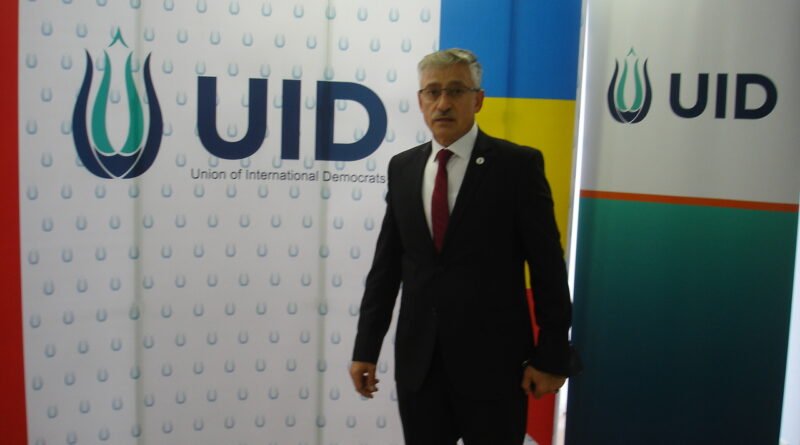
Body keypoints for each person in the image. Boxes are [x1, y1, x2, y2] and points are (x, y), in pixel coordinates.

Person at [349, 48, 579, 445]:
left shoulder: (517, 166)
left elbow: (548, 268)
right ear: (420, 100)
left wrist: (552, 357)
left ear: (478, 99)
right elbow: (386, 268)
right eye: (433, 92)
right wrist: (365, 347)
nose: (443, 103)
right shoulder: (403, 168)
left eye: (456, 91)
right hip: (420, 367)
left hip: (496, 368)